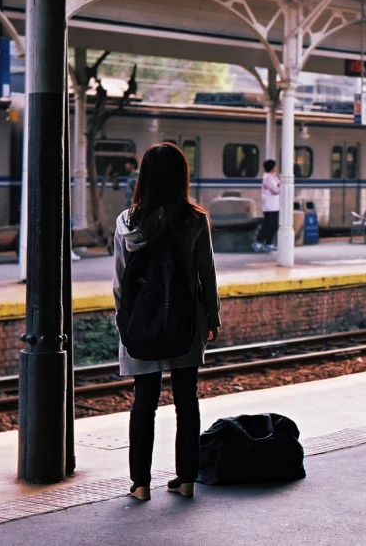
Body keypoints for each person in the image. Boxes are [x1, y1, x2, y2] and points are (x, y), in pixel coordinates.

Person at [113, 142, 221, 501]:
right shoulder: (194, 220)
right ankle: (186, 478)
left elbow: (119, 281)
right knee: (186, 399)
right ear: (181, 178)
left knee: (143, 399)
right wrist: (213, 317)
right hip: (186, 321)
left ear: (144, 177)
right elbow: (206, 274)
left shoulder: (127, 223)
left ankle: (140, 484)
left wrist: (123, 323)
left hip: (140, 322)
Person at [253, 159, 280, 252]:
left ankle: (269, 243)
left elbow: (279, 185)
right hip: (269, 205)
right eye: (275, 166)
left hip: (275, 205)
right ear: (271, 167)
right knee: (267, 224)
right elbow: (276, 190)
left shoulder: (274, 176)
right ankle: (258, 242)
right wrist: (281, 186)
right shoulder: (267, 178)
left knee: (274, 225)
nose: (276, 167)